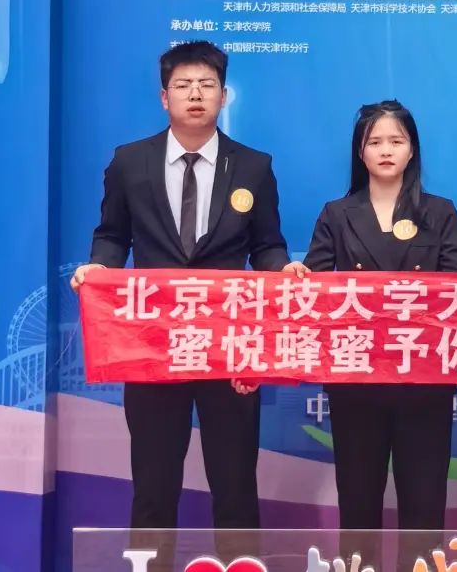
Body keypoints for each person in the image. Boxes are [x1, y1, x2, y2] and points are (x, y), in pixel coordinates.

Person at [70, 40, 305, 535]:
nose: (195, 94)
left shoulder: (253, 166)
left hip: (229, 346)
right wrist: (98, 268)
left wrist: (281, 269)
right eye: (183, 85)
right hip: (154, 344)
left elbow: (266, 245)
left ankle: (239, 566)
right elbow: (112, 236)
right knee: (153, 488)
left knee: (235, 485)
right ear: (164, 98)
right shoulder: (130, 162)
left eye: (206, 85)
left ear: (224, 96)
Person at [301, 100, 457, 564]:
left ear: (412, 149)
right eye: (375, 142)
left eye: (396, 140)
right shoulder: (337, 214)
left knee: (424, 508)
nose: (386, 150)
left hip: (424, 383)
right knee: (358, 507)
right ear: (360, 152)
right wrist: (300, 278)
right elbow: (315, 290)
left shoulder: (440, 212)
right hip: (356, 382)